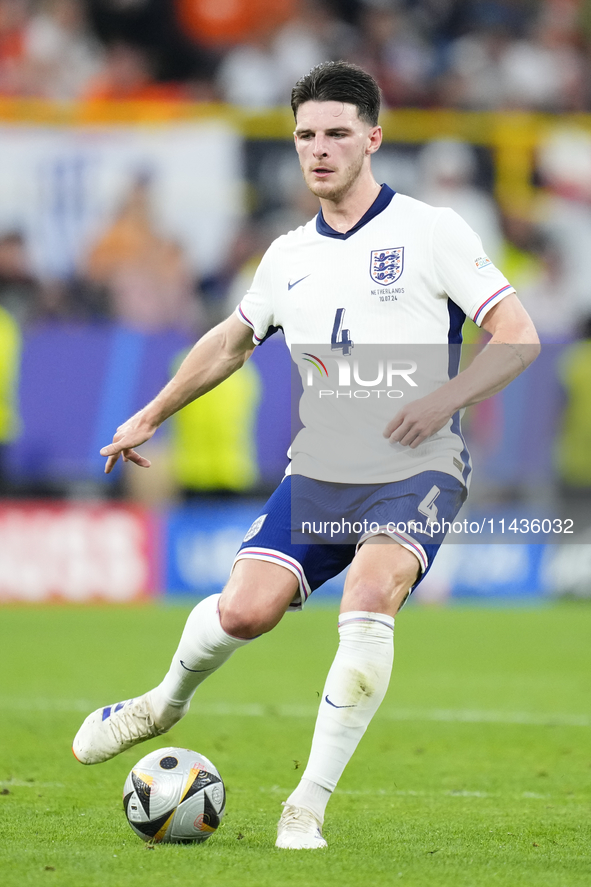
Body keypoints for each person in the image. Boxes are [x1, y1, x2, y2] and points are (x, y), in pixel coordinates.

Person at [72, 61, 540, 850]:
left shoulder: (432, 230)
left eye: (335, 134)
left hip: (415, 466)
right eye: (304, 136)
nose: (318, 150)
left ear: (372, 139)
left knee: (370, 593)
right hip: (320, 471)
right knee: (243, 609)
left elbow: (518, 336)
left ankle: (305, 805)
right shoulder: (287, 253)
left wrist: (442, 398)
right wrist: (151, 411)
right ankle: (161, 701)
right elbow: (231, 338)